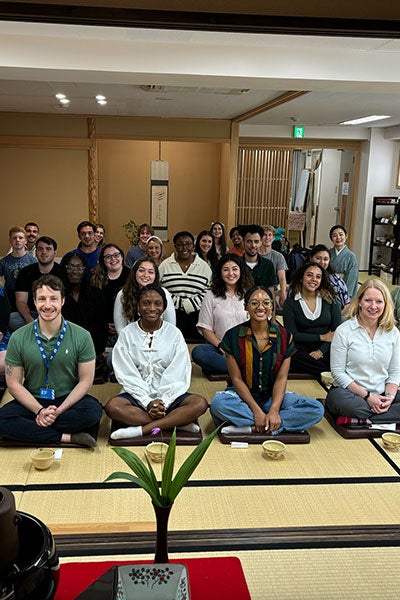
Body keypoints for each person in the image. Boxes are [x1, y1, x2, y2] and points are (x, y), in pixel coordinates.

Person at [0, 274, 102, 447]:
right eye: (42, 299)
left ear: (62, 301)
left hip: (69, 400)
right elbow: (14, 383)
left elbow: (86, 381)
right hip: (32, 400)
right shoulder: (19, 337)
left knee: (93, 412)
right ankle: (65, 437)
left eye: (53, 299)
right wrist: (39, 410)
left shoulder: (82, 336)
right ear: (34, 301)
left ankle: (36, 429)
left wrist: (58, 411)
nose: (47, 305)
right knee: (2, 419)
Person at [210, 285, 324, 436]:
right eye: (254, 303)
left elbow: (282, 378)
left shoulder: (285, 336)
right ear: (246, 307)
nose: (260, 307)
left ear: (272, 306)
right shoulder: (232, 336)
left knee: (316, 409)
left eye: (266, 303)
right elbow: (236, 379)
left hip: (272, 397)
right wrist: (256, 411)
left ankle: (251, 426)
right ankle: (272, 424)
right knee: (218, 404)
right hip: (241, 398)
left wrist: (274, 410)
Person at [105, 285, 208, 440]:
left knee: (200, 403)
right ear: (138, 306)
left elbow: (178, 373)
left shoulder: (174, 334)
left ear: (164, 307)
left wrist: (163, 402)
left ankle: (141, 430)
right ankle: (176, 423)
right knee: (112, 407)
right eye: (146, 303)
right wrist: (147, 402)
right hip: (136, 396)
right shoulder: (127, 334)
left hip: (169, 396)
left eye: (157, 304)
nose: (152, 308)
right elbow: (126, 374)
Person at [326, 279, 400, 425]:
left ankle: (359, 420)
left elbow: (395, 371)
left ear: (386, 305)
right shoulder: (344, 330)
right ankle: (381, 416)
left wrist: (390, 398)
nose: (373, 306)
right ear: (359, 302)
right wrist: (367, 397)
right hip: (351, 394)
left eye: (379, 301)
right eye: (368, 300)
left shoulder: (393, 333)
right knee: (340, 401)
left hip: (382, 393)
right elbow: (337, 372)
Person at [192, 254, 253, 375]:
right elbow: (205, 328)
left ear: (241, 271)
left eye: (235, 269)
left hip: (248, 347)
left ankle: (230, 368)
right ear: (220, 273)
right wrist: (222, 347)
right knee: (199, 352)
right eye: (226, 269)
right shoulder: (211, 295)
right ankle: (244, 370)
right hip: (220, 347)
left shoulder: (250, 293)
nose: (231, 273)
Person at [283, 261, 341, 378]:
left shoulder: (331, 300)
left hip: (327, 348)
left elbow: (336, 332)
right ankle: (333, 372)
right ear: (301, 277)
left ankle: (331, 370)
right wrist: (322, 337)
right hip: (302, 350)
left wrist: (321, 351)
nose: (314, 279)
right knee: (292, 356)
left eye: (318, 277)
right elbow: (292, 335)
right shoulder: (290, 303)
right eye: (309, 275)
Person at [60, 252, 108, 383]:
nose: (75, 271)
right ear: (64, 269)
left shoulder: (96, 293)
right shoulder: (57, 294)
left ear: (85, 270)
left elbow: (102, 328)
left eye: (79, 267)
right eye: (70, 267)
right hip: (62, 350)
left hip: (90, 350)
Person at [158, 230, 212, 341]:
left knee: (195, 346)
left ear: (193, 246)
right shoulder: (165, 265)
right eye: (180, 244)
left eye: (188, 244)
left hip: (197, 315)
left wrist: (190, 304)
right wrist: (177, 303)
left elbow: (210, 290)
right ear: (175, 246)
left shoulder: (204, 266)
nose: (184, 248)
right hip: (171, 313)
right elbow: (159, 288)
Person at [13, 236, 65, 331]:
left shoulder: (63, 273)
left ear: (55, 253)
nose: (44, 252)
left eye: (48, 249)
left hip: (55, 313)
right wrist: (29, 319)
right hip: (32, 313)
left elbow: (64, 301)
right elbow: (21, 301)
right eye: (40, 249)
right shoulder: (25, 272)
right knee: (12, 318)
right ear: (36, 253)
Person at [114, 256, 175, 334]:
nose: (146, 275)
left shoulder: (164, 294)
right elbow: (120, 328)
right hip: (130, 341)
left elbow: (171, 325)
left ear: (155, 275)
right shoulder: (123, 294)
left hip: (159, 341)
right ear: (135, 272)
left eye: (151, 272)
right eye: (141, 270)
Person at [90, 243, 130, 347]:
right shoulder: (95, 278)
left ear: (122, 256)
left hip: (127, 328)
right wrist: (104, 325)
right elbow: (91, 307)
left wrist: (120, 325)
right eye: (108, 256)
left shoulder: (132, 276)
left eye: (116, 255)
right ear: (103, 260)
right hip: (101, 329)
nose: (113, 259)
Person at [0, 226, 37, 324]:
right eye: (14, 238)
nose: (17, 240)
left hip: (29, 300)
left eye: (20, 238)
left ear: (25, 241)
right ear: (10, 241)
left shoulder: (33, 261)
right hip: (10, 299)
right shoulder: (4, 262)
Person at [309, 244, 350, 314]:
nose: (322, 262)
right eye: (318, 258)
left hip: (337, 316)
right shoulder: (303, 278)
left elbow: (347, 303)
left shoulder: (336, 279)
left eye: (325, 259)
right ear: (311, 258)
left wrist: (338, 318)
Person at [240, 224, 277, 292]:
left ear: (260, 242)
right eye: (249, 241)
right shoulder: (236, 264)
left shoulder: (268, 265)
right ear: (243, 242)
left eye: (256, 241)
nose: (253, 245)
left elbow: (271, 292)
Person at [258, 225, 288, 307]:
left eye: (270, 235)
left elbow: (282, 278)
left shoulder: (279, 256)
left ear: (273, 238)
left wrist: (283, 293)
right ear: (260, 238)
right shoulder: (254, 255)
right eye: (264, 235)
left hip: (273, 290)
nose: (267, 238)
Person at [328, 225, 359, 299]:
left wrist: (346, 294)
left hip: (343, 289)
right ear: (331, 239)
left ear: (346, 236)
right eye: (334, 235)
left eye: (341, 234)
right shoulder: (328, 253)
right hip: (328, 288)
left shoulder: (351, 257)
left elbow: (352, 278)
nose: (338, 238)